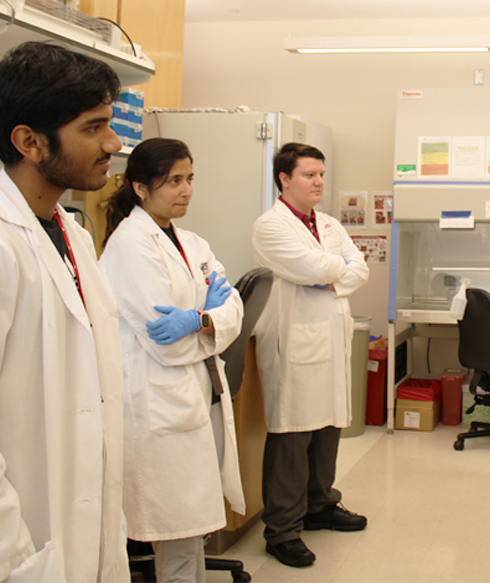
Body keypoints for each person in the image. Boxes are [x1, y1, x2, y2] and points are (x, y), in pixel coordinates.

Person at [0, 41, 129, 582]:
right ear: (29, 141)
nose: (113, 143)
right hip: (24, 538)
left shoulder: (69, 231)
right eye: (93, 127)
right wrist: (16, 557)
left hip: (81, 522)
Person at [99, 138, 246, 582]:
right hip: (157, 401)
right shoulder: (130, 245)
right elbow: (168, 343)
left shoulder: (191, 241)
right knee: (176, 529)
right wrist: (208, 320)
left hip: (193, 394)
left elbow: (234, 308)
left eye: (189, 179)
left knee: (190, 529)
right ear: (140, 188)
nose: (185, 191)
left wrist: (199, 318)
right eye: (173, 181)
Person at [251, 142, 369, 568]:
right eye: (308, 175)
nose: (318, 182)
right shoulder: (271, 226)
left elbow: (359, 269)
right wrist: (331, 269)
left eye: (321, 174)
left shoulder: (331, 224)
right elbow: (313, 268)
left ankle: (320, 505)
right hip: (295, 343)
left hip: (330, 340)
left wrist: (330, 271)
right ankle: (282, 530)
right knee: (292, 435)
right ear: (284, 179)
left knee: (329, 429)